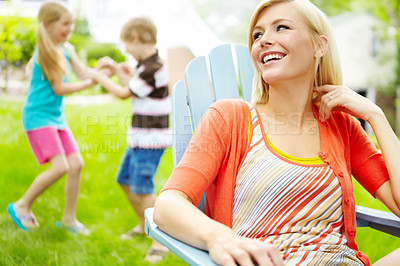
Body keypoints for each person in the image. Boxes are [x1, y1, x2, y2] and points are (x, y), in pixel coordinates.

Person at [153, 0, 400, 265]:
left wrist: (376, 117)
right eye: (258, 35)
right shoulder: (229, 118)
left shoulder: (341, 126)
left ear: (319, 45)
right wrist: (218, 237)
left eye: (281, 28)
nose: (264, 40)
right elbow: (168, 204)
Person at [83, 16, 171, 262]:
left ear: (135, 38)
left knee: (142, 189)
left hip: (150, 141)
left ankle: (160, 241)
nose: (126, 51)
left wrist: (101, 77)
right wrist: (114, 70)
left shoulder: (155, 68)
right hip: (138, 138)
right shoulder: (145, 65)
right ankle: (144, 224)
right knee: (123, 180)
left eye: (126, 45)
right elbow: (132, 88)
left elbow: (124, 93)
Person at [7, 0, 96, 235]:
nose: (69, 29)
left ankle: (69, 220)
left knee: (76, 164)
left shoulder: (67, 48)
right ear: (47, 25)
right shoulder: (44, 52)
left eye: (71, 24)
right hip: (38, 116)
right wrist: (88, 84)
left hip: (55, 116)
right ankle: (21, 205)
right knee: (60, 167)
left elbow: (85, 72)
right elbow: (59, 88)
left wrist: (107, 70)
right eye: (64, 24)